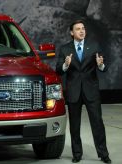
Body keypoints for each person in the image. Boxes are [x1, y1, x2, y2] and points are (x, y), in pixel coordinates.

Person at [55, 20, 111, 163]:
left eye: (83, 28)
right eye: (78, 29)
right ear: (71, 33)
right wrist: (66, 65)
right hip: (74, 91)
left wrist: (101, 65)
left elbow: (103, 67)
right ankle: (77, 154)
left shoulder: (94, 46)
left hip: (91, 91)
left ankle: (103, 154)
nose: (82, 31)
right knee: (75, 125)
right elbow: (58, 70)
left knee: (97, 123)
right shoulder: (65, 49)